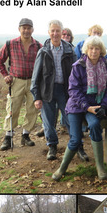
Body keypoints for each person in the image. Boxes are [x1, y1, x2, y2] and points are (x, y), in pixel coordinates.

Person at [52, 36, 107, 181]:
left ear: (101, 50)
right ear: (86, 50)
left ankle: (99, 166)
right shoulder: (78, 66)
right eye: (91, 48)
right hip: (76, 106)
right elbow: (73, 90)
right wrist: (87, 107)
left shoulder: (106, 65)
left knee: (94, 125)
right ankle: (62, 168)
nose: (94, 51)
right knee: (75, 139)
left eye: (97, 48)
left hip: (97, 105)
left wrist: (103, 106)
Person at [31, 20, 77, 160]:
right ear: (49, 32)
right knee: (48, 121)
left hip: (65, 91)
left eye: (58, 31)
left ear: (62, 32)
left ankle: (77, 146)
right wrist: (36, 96)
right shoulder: (43, 51)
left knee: (71, 119)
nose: (55, 33)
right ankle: (52, 146)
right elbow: (36, 75)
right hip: (47, 91)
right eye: (53, 31)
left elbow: (76, 72)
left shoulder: (69, 50)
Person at [0, 18, 42, 151]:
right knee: (12, 108)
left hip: (33, 82)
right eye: (24, 28)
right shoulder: (11, 44)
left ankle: (25, 135)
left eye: (29, 28)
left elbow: (44, 64)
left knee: (32, 109)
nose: (26, 30)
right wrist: (5, 75)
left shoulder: (38, 46)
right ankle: (8, 137)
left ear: (32, 29)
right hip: (16, 81)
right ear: (19, 29)